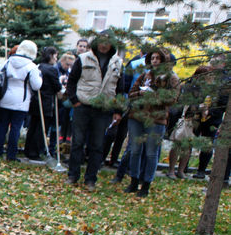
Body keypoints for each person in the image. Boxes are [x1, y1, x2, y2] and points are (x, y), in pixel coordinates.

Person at [65, 32, 125, 190]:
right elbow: (72, 81)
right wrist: (75, 101)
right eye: (101, 42)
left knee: (97, 145)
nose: (104, 45)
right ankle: (73, 175)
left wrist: (118, 110)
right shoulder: (83, 58)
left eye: (107, 42)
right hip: (83, 106)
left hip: (103, 109)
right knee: (77, 142)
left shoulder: (117, 63)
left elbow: (120, 89)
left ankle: (91, 179)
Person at [123, 48, 180, 197]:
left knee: (151, 153)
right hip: (137, 117)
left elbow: (172, 99)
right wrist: (141, 93)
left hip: (156, 119)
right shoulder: (144, 75)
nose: (155, 60)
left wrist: (154, 95)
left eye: (158, 58)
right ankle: (133, 181)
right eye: (152, 58)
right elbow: (131, 94)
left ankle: (146, 184)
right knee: (134, 150)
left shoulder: (172, 78)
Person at [0, 40, 43, 162]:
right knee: (15, 128)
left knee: (2, 127)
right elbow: (36, 86)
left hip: (5, 97)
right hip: (21, 100)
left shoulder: (8, 61)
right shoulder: (32, 66)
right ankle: (11, 155)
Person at [25, 46, 62, 161]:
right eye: (55, 56)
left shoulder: (39, 66)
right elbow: (57, 86)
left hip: (36, 100)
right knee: (41, 128)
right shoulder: (52, 69)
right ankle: (35, 152)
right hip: (46, 101)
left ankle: (29, 150)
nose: (56, 59)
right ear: (51, 56)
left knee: (33, 126)